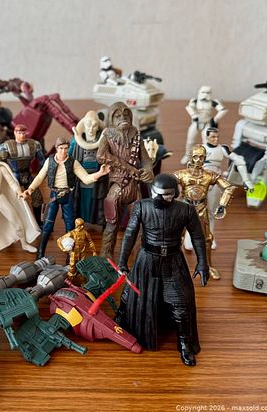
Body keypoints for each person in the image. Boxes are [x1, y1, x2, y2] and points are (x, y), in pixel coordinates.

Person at [116, 173, 209, 366]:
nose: (159, 198)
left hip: (173, 261)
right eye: (156, 193)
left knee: (180, 304)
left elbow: (198, 236)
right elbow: (130, 234)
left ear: (175, 194)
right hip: (147, 259)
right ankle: (121, 317)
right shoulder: (142, 206)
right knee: (131, 292)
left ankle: (184, 344)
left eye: (165, 194)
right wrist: (122, 262)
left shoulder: (186, 210)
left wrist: (202, 262)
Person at [21, 137, 109, 259]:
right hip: (54, 195)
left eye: (66, 148)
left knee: (70, 226)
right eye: (61, 148)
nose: (63, 151)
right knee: (47, 225)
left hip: (67, 196)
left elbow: (86, 179)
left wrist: (100, 173)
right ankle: (40, 252)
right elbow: (40, 177)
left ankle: (70, 255)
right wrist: (30, 189)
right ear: (56, 148)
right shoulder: (49, 161)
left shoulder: (73, 162)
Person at [96, 102, 154, 258]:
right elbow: (101, 156)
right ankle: (106, 257)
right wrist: (128, 168)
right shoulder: (107, 135)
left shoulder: (136, 135)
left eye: (126, 115)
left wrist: (148, 170)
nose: (123, 118)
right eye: (118, 116)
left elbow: (146, 159)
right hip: (117, 185)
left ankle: (140, 255)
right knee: (111, 223)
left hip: (134, 187)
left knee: (140, 224)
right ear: (111, 118)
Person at [174, 145, 235, 280]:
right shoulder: (181, 174)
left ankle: (208, 265)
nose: (198, 160)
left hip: (201, 209)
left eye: (201, 157)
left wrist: (222, 205)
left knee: (207, 239)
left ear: (205, 158)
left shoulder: (209, 175)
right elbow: (167, 184)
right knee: (177, 238)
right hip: (184, 208)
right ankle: (174, 266)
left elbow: (229, 188)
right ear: (190, 157)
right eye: (195, 157)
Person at [0, 123, 45, 226]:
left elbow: (42, 161)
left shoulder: (33, 144)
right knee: (12, 199)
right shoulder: (6, 146)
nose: (22, 135)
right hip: (14, 175)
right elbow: (0, 159)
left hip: (27, 174)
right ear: (15, 133)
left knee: (37, 197)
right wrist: (2, 155)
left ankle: (38, 222)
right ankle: (14, 223)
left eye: (24, 133)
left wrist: (45, 172)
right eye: (19, 133)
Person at [69, 110, 107, 226]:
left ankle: (100, 222)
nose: (91, 129)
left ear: (98, 127)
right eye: (88, 125)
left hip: (98, 178)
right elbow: (69, 156)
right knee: (79, 201)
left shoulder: (104, 141)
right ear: (84, 126)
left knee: (98, 201)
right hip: (80, 178)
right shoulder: (75, 141)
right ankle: (77, 222)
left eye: (94, 126)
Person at [182, 86, 227, 165]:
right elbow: (189, 107)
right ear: (199, 92)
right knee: (190, 141)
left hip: (207, 123)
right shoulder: (195, 101)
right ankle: (187, 156)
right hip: (196, 123)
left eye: (207, 92)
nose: (205, 94)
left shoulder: (213, 102)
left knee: (206, 142)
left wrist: (215, 119)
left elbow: (222, 110)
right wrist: (193, 115)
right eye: (203, 92)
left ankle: (204, 158)